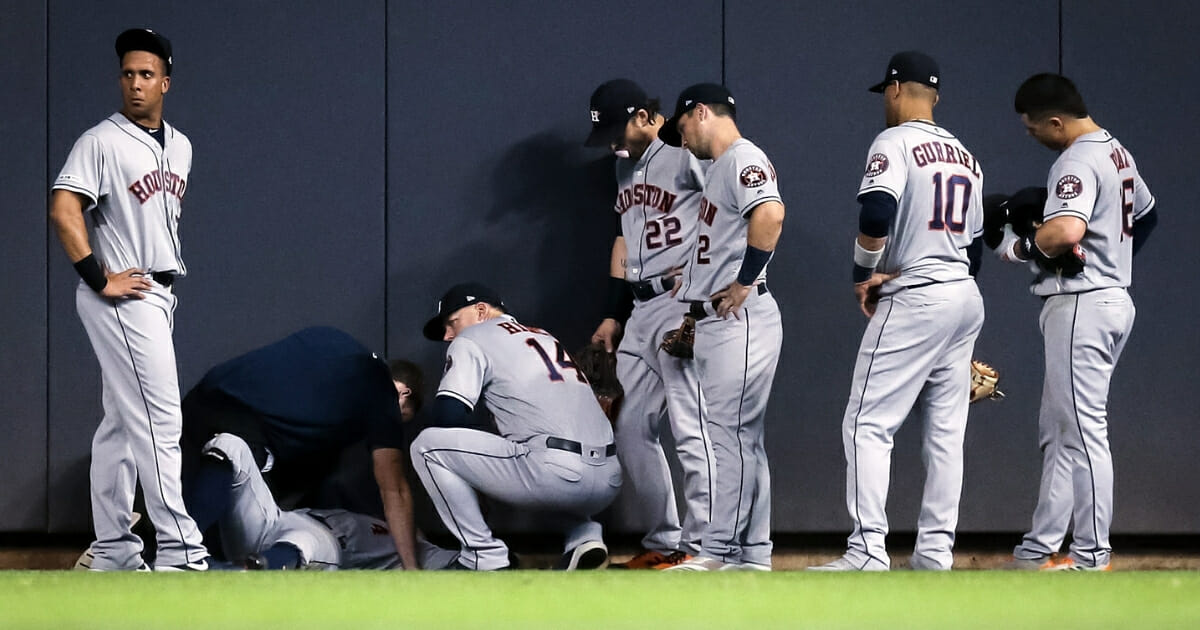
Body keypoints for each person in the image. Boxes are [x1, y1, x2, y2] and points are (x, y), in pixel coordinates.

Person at [808, 51, 986, 572]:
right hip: (963, 296)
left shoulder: (894, 140)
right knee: (946, 433)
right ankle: (935, 554)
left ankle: (867, 551)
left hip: (919, 296)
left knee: (866, 422)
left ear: (894, 89)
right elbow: (973, 251)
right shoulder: (967, 157)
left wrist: (862, 273)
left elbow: (877, 211)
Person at [48, 28, 209, 572]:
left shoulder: (181, 145)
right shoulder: (101, 140)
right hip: (124, 298)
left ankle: (113, 550)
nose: (135, 84)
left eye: (146, 74)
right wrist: (98, 277)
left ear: (165, 81)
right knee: (161, 421)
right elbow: (64, 208)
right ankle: (182, 549)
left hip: (159, 296)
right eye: (127, 74)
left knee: (119, 426)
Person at [995, 73, 1157, 571]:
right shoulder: (1117, 152)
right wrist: (1112, 261)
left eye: (1033, 127)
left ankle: (1091, 554)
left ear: (1057, 122)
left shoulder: (1079, 158)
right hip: (1106, 300)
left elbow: (1065, 228)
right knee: (1062, 430)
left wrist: (1022, 248)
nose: (1031, 134)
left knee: (1083, 431)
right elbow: (1146, 216)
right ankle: (1039, 548)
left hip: (1083, 306)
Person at [583, 79, 714, 569]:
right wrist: (613, 313)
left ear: (644, 116)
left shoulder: (687, 154)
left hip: (681, 303)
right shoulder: (623, 167)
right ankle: (666, 537)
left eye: (619, 130)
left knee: (691, 426)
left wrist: (703, 290)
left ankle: (703, 547)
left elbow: (730, 214)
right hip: (640, 309)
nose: (614, 143)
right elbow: (624, 241)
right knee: (631, 426)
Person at [656, 84, 784, 571]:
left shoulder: (742, 158)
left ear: (702, 112)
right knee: (740, 439)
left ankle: (721, 552)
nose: (682, 138)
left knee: (730, 438)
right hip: (717, 321)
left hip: (740, 320)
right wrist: (691, 292)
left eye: (682, 125)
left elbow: (771, 214)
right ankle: (751, 556)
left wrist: (744, 281)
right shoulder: (719, 170)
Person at [410, 282, 622, 571]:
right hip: (608, 478)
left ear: (481, 311)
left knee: (427, 445)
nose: (448, 335)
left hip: (554, 472)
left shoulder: (472, 337)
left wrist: (473, 475)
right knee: (529, 461)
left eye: (451, 322)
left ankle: (483, 557)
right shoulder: (544, 336)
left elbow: (449, 416)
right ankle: (583, 538)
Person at [180, 326, 423, 569]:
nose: (394, 421)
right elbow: (395, 490)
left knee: (222, 462)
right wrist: (411, 569)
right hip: (244, 433)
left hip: (197, 404)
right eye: (402, 415)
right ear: (403, 394)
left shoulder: (334, 339)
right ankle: (186, 553)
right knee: (232, 451)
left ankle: (180, 553)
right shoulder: (382, 393)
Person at [197, 433, 458, 571]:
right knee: (230, 445)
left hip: (326, 545)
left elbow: (460, 565)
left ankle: (241, 573)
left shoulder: (420, 549)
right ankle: (184, 547)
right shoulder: (358, 503)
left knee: (305, 543)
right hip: (278, 521)